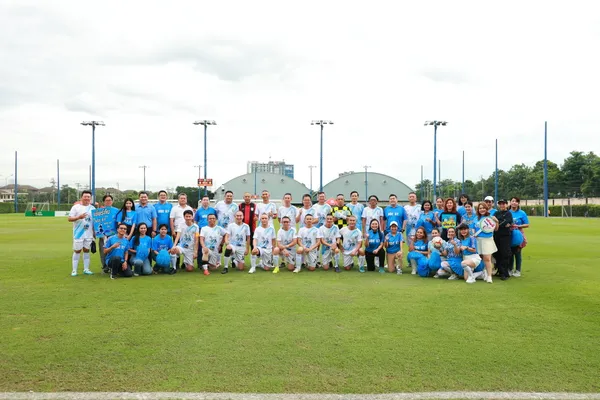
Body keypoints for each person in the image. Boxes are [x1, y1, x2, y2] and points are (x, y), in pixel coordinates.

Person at [68, 190, 96, 277]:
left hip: (89, 234)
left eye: (88, 197)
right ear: (81, 197)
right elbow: (69, 219)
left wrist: (94, 233)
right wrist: (78, 217)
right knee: (77, 251)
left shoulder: (93, 208)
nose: (87, 198)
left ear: (90, 198)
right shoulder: (76, 207)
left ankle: (86, 269)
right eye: (85, 196)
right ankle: (74, 270)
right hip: (78, 234)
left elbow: (94, 222)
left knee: (86, 251)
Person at [474, 202, 498, 284]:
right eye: (480, 208)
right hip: (478, 240)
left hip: (487, 240)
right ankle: (484, 273)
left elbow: (496, 229)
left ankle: (489, 276)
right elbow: (473, 229)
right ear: (478, 210)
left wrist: (497, 222)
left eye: (483, 208)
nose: (482, 210)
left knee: (487, 258)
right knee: (480, 258)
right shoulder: (476, 218)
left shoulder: (490, 217)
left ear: (486, 209)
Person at [509, 196, 530, 277]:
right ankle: (510, 269)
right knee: (510, 252)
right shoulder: (507, 212)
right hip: (509, 234)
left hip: (518, 234)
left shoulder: (522, 213)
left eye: (516, 201)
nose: (514, 203)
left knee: (517, 252)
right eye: (513, 201)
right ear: (510, 202)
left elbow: (527, 224)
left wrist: (518, 226)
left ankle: (518, 270)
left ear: (518, 203)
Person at [98, 194, 119, 271]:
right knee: (103, 250)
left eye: (110, 200)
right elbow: (97, 223)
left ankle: (113, 266)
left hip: (114, 234)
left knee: (114, 250)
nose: (108, 202)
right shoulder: (100, 211)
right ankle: (105, 266)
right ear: (104, 202)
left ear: (112, 201)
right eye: (106, 200)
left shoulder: (116, 211)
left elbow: (119, 222)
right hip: (103, 235)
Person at [493, 199, 513, 281]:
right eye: (500, 204)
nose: (502, 205)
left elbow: (507, 222)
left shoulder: (508, 213)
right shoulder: (496, 213)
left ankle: (504, 272)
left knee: (505, 254)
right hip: (496, 236)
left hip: (505, 236)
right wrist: (500, 223)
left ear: (506, 205)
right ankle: (500, 270)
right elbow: (493, 222)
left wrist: (498, 222)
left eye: (503, 204)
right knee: (497, 253)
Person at [194, 195, 217, 265]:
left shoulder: (213, 210)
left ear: (209, 201)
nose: (205, 201)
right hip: (201, 230)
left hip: (211, 230)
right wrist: (197, 231)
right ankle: (200, 264)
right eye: (204, 200)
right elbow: (196, 221)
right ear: (201, 201)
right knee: (200, 247)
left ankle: (209, 262)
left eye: (207, 200)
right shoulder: (198, 211)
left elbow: (216, 219)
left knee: (210, 245)